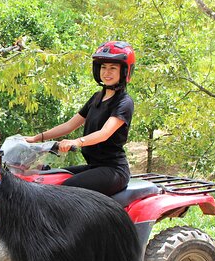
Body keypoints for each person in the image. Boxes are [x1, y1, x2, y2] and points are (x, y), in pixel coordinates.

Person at [25, 41, 136, 196]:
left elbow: (104, 133)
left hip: (114, 170)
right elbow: (70, 125)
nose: (106, 72)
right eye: (103, 67)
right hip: (94, 166)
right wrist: (37, 138)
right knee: (45, 178)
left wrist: (76, 142)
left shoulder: (124, 102)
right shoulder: (97, 97)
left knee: (65, 190)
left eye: (113, 68)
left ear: (124, 72)